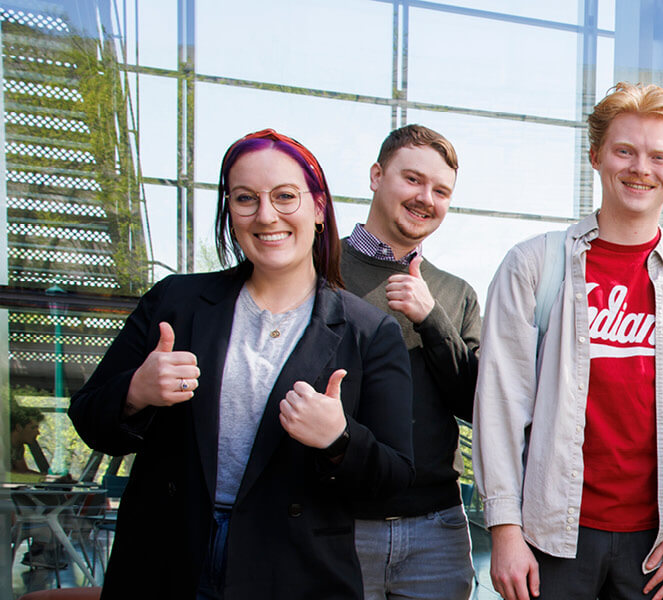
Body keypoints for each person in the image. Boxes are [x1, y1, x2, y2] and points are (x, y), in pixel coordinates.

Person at [70, 128, 415, 599]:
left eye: (285, 196)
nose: (266, 215)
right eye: (245, 198)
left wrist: (340, 439)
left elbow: (395, 480)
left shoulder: (370, 331)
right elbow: (89, 419)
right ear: (230, 211)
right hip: (166, 558)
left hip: (290, 572)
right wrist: (135, 392)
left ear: (318, 208)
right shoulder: (177, 302)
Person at [474, 82, 663, 600]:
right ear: (596, 156)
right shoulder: (534, 266)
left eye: (659, 156)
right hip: (550, 539)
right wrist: (504, 529)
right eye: (625, 150)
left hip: (657, 544)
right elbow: (502, 405)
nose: (641, 167)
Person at [342, 124, 482, 600]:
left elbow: (474, 401)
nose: (426, 198)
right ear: (377, 175)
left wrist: (431, 318)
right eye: (413, 180)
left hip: (435, 532)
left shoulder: (455, 293)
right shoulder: (318, 270)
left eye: (441, 191)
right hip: (335, 522)